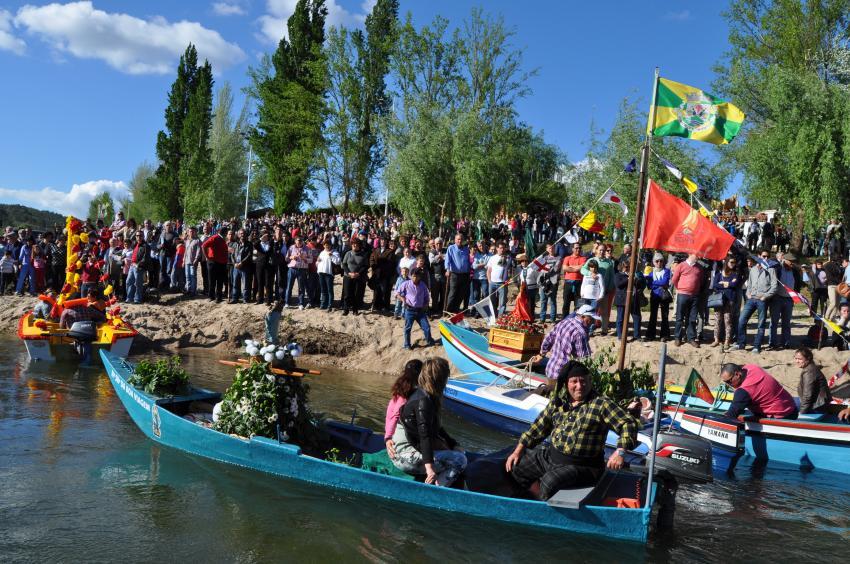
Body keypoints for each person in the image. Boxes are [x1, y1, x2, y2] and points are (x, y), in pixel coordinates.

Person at [505, 361, 637, 500]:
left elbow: (628, 423)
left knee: (549, 483)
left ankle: (542, 504)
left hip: (583, 467)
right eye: (574, 381)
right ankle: (535, 498)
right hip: (551, 458)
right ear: (567, 383)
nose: (579, 386)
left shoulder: (601, 404)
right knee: (514, 466)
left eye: (583, 381)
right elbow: (537, 428)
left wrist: (620, 452)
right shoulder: (559, 403)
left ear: (590, 381)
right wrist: (517, 451)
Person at [393, 358, 467, 486]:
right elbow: (424, 436)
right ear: (440, 380)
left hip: (410, 451)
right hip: (404, 457)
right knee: (461, 460)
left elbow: (438, 428)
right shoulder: (423, 401)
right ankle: (437, 488)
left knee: (460, 452)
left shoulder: (426, 396)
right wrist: (430, 468)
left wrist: (454, 444)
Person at [530, 304, 598, 383]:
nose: (593, 322)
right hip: (564, 375)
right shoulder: (580, 333)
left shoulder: (564, 322)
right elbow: (583, 359)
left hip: (551, 369)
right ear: (583, 317)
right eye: (591, 319)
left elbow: (548, 338)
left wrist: (541, 354)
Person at [720, 363, 798, 419]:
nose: (728, 384)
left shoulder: (743, 391)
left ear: (737, 374)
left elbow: (730, 416)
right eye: (725, 382)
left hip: (782, 415)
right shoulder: (751, 367)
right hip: (792, 406)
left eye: (729, 381)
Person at [736, 250, 778, 354]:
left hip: (762, 300)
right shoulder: (753, 269)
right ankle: (741, 343)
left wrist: (766, 296)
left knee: (761, 323)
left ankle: (757, 346)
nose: (766, 258)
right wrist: (748, 293)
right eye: (764, 256)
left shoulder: (771, 269)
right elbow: (749, 283)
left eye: (767, 256)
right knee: (741, 320)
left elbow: (774, 286)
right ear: (759, 256)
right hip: (751, 299)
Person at [384, 359, 424, 458]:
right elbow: (395, 415)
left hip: (394, 429)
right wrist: (388, 438)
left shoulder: (403, 384)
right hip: (394, 434)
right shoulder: (407, 392)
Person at [396, 268, 435, 349]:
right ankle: (407, 345)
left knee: (426, 327)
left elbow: (427, 298)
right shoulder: (406, 284)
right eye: (413, 276)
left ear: (420, 277)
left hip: (421, 311)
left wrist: (426, 305)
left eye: (417, 277)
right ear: (411, 276)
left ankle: (430, 341)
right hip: (409, 310)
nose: (415, 278)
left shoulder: (423, 285)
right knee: (407, 328)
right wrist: (403, 299)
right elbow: (397, 293)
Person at [769, 253, 800, 350]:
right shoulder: (777, 268)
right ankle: (772, 343)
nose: (792, 264)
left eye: (794, 263)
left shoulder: (795, 271)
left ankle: (785, 343)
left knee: (786, 323)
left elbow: (798, 284)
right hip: (777, 298)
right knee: (774, 322)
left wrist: (795, 296)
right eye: (791, 262)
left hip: (789, 299)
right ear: (785, 260)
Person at [672, 253, 702, 348]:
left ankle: (691, 338)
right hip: (683, 295)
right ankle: (677, 337)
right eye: (697, 254)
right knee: (680, 317)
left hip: (695, 296)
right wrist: (680, 289)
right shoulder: (681, 265)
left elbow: (700, 280)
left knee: (692, 318)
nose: (699, 256)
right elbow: (674, 279)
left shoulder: (699, 267)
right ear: (690, 254)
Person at [711, 256, 741, 350]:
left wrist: (722, 283)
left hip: (729, 300)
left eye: (734, 262)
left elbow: (735, 284)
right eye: (731, 262)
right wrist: (727, 284)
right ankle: (716, 339)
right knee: (717, 320)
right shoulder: (719, 274)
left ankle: (727, 340)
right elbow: (715, 285)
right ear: (726, 262)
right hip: (719, 300)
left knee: (727, 321)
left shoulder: (735, 274)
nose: (733, 264)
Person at [794, 347, 832, 414]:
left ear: (807, 359)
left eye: (800, 359)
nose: (797, 361)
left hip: (817, 406)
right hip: (817, 403)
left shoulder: (809, 372)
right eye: (796, 358)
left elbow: (808, 395)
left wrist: (802, 413)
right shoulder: (810, 368)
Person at [614, 260, 645, 341]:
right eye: (626, 267)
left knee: (637, 317)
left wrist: (637, 280)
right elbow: (618, 285)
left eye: (629, 267)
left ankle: (637, 335)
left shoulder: (633, 275)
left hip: (633, 299)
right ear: (621, 267)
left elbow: (640, 285)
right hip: (622, 300)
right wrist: (629, 279)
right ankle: (620, 336)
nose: (628, 269)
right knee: (621, 318)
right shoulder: (618, 275)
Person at [644, 253, 672, 342]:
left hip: (664, 296)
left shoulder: (667, 271)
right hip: (655, 295)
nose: (659, 263)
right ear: (654, 262)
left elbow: (665, 282)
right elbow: (649, 286)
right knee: (653, 315)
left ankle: (665, 335)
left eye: (661, 261)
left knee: (665, 315)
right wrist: (656, 283)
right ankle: (650, 334)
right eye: (657, 261)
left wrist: (653, 282)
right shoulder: (651, 272)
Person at [341, 237, 369, 315]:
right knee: (347, 294)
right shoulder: (348, 253)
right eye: (353, 244)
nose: (355, 246)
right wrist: (349, 273)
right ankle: (346, 309)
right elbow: (344, 264)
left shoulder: (363, 254)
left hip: (358, 276)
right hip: (348, 276)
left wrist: (358, 273)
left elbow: (365, 266)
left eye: (356, 244)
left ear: (359, 245)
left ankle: (355, 309)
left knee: (356, 294)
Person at [445, 233, 470, 313]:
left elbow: (469, 260)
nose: (460, 241)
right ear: (455, 240)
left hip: (464, 275)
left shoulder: (466, 249)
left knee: (461, 294)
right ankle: (448, 310)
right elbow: (447, 260)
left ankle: (456, 309)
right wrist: (447, 269)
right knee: (452, 293)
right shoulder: (451, 248)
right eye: (458, 239)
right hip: (454, 274)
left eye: (461, 239)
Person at [538, 242, 562, 323]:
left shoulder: (558, 258)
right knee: (543, 300)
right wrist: (546, 269)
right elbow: (540, 269)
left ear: (555, 248)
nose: (551, 249)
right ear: (547, 249)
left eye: (552, 247)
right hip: (544, 282)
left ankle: (553, 318)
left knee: (552, 301)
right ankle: (542, 318)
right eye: (549, 248)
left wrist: (546, 268)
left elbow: (555, 269)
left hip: (553, 282)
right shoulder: (544, 258)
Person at [486, 242, 512, 316]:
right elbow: (488, 271)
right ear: (497, 248)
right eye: (500, 248)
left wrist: (508, 279)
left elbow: (511, 270)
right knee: (492, 301)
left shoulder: (508, 258)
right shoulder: (492, 258)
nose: (502, 249)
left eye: (503, 248)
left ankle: (500, 318)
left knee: (502, 302)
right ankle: (494, 315)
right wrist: (489, 281)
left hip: (503, 283)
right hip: (492, 283)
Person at [562, 242, 587, 318]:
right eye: (576, 248)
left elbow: (582, 267)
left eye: (579, 248)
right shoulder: (567, 258)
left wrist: (571, 268)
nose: (578, 249)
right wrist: (577, 268)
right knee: (566, 304)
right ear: (572, 249)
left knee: (579, 304)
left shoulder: (584, 258)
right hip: (568, 283)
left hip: (579, 283)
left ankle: (576, 321)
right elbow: (564, 268)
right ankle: (564, 320)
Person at [316, 240, 339, 311]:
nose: (327, 246)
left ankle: (330, 305)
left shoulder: (334, 252)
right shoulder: (322, 252)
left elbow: (338, 261)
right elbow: (317, 263)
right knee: (323, 290)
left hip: (329, 273)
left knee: (329, 290)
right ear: (323, 246)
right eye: (325, 245)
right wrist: (317, 261)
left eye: (328, 245)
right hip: (321, 273)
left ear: (331, 245)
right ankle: (323, 304)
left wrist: (332, 255)